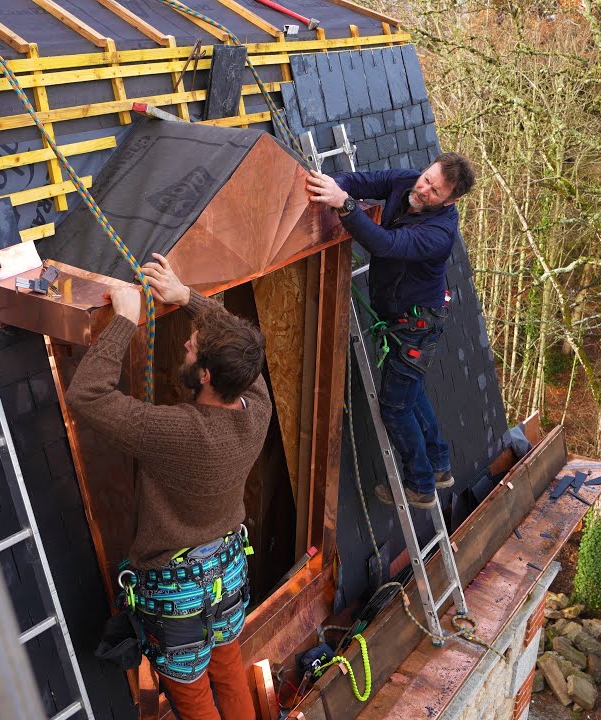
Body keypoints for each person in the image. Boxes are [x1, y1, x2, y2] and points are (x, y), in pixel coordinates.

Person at [66, 253, 270, 720]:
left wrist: (123, 321)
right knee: (228, 669)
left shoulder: (176, 432)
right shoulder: (256, 406)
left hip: (177, 595)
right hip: (227, 575)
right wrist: (187, 297)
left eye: (193, 348)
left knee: (194, 697)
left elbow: (87, 394)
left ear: (205, 376)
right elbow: (239, 349)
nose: (186, 345)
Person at [306, 153, 476, 509]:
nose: (423, 188)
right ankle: (439, 464)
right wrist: (331, 186)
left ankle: (421, 486)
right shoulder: (406, 180)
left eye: (435, 190)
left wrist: (345, 206)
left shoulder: (439, 233)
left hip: (416, 328)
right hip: (407, 318)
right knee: (410, 396)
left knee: (396, 408)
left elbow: (387, 245)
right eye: (427, 178)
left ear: (451, 200)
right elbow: (363, 181)